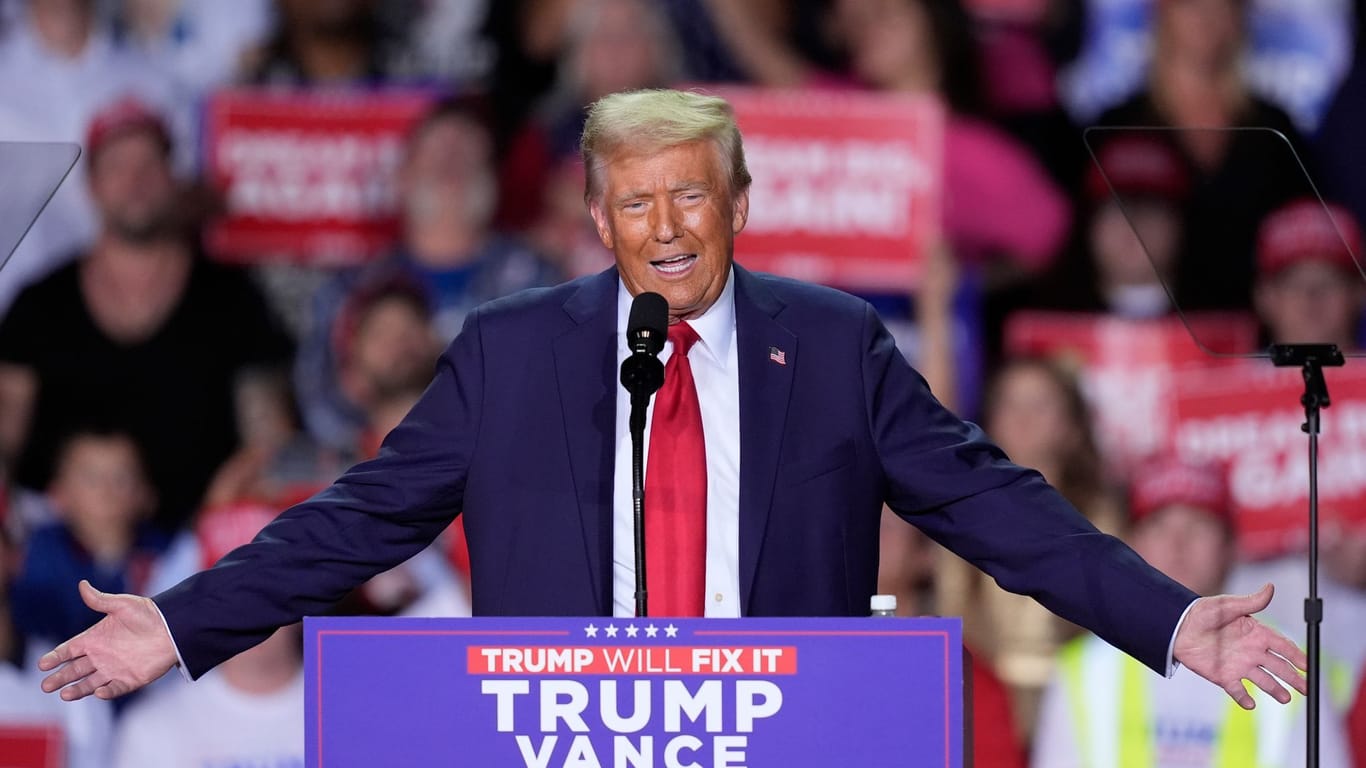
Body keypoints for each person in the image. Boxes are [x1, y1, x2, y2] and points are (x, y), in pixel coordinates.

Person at [39, 90, 1305, 719]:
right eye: (634, 204)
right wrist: (184, 624)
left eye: (691, 197)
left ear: (739, 204)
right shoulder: (511, 354)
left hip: (781, 735)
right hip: (561, 738)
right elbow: (358, 520)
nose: (665, 229)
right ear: (595, 219)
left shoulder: (833, 344)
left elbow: (993, 507)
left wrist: (1171, 618)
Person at [0, 98, 294, 534]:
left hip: (200, 547)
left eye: (149, 164)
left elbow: (270, 439)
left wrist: (222, 515)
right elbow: (5, 433)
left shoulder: (232, 296)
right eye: (117, 166)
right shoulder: (40, 302)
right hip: (60, 549)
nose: (134, 181)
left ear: (174, 179)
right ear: (92, 185)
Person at [1031, 456, 1350, 766]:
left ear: (1230, 546)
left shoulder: (1289, 662)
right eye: (1159, 525)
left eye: (1198, 525)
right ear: (1129, 542)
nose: (1178, 543)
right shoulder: (1081, 669)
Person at [8, 428, 163, 647]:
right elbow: (46, 620)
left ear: (146, 496)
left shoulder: (163, 552)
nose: (106, 491)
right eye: (91, 478)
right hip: (48, 669)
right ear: (57, 495)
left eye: (121, 478)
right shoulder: (40, 550)